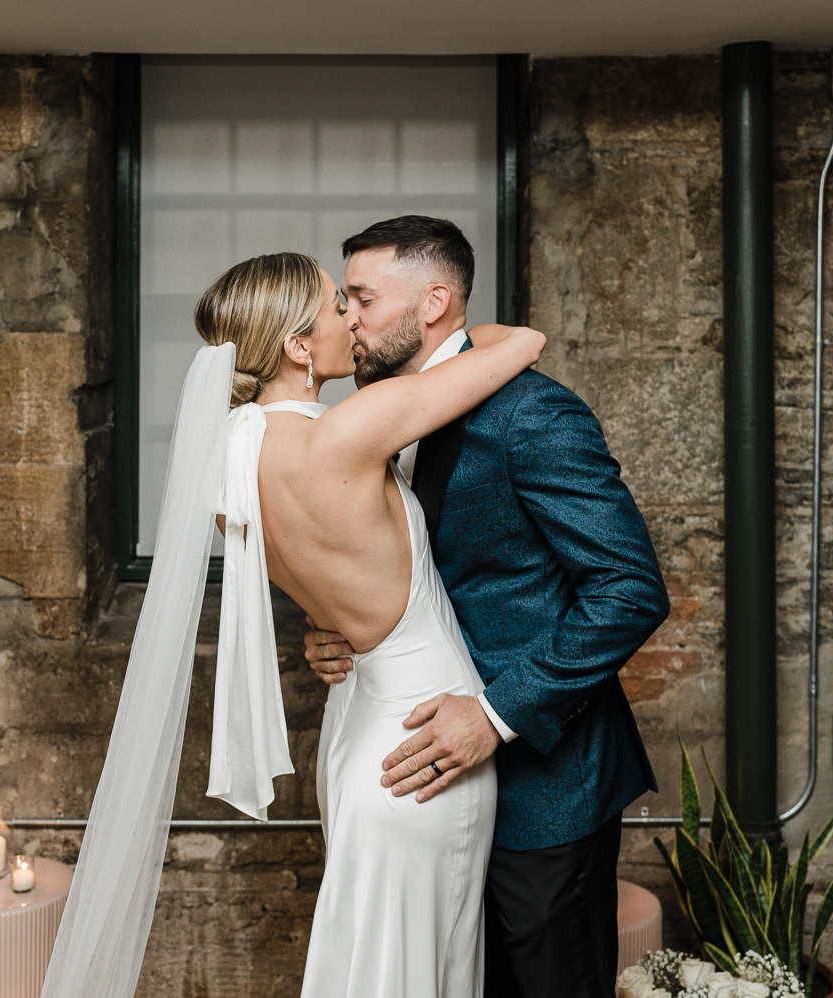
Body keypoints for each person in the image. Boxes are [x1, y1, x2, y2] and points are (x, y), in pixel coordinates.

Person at [40, 251, 545, 998]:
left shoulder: (231, 470)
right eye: (337, 306)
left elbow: (327, 596)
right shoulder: (354, 429)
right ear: (298, 349)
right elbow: (522, 344)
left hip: (356, 738)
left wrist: (329, 632)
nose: (354, 317)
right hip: (424, 743)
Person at [305, 216, 669, 998]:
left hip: (544, 787)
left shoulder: (532, 413)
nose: (348, 320)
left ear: (433, 302)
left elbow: (629, 589)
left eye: (363, 299)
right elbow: (416, 573)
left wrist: (494, 715)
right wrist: (347, 631)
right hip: (433, 795)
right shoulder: (392, 415)